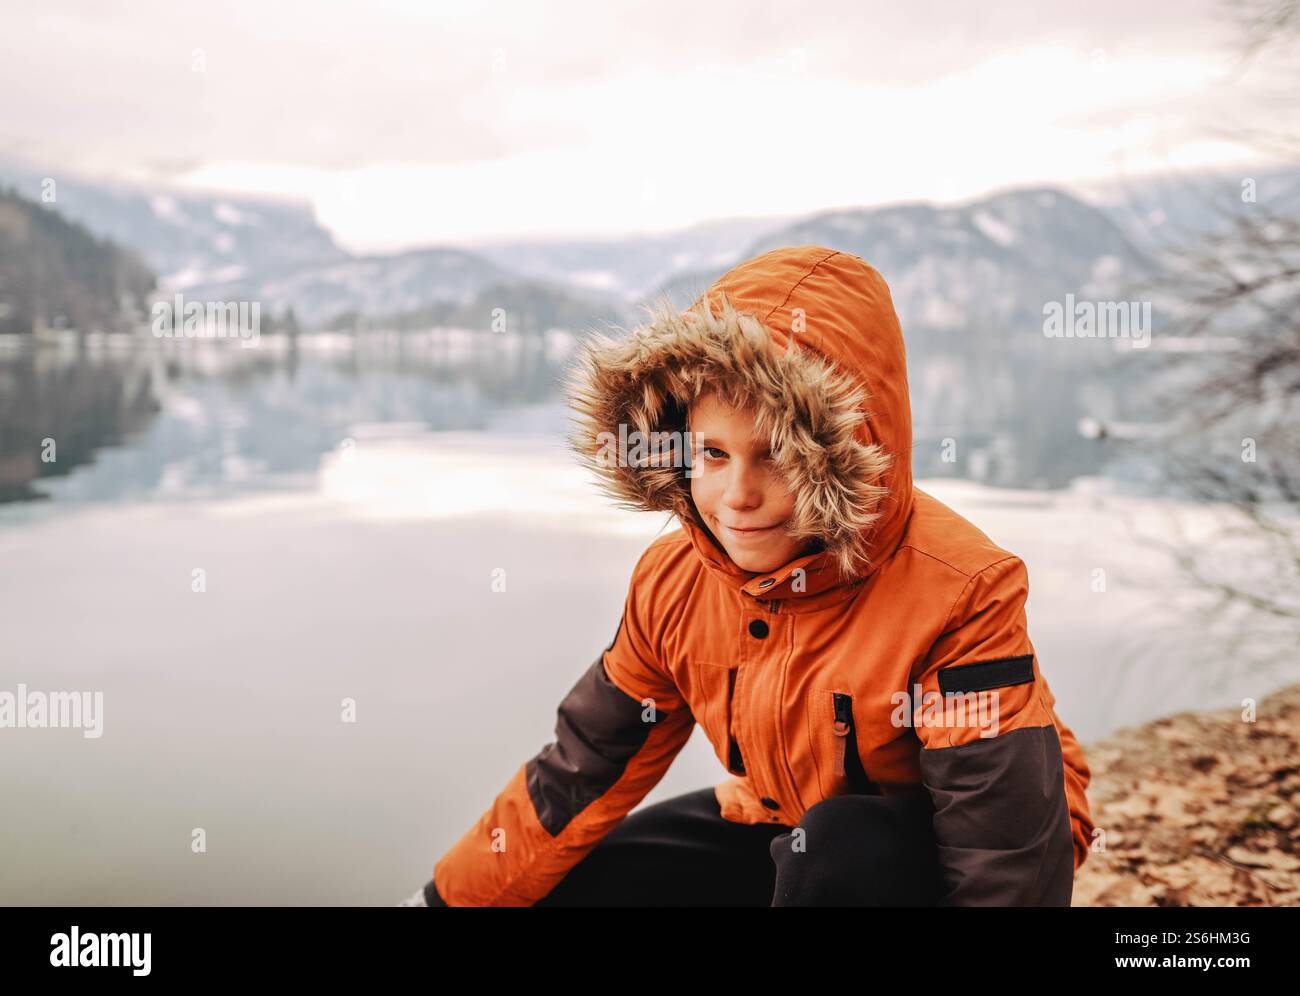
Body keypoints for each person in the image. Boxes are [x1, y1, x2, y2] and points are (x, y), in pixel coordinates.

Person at [403, 245, 1095, 907]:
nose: (737, 496)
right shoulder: (674, 581)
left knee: (838, 846)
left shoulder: (959, 592)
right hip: (780, 822)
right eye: (713, 453)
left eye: (778, 456)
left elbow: (1005, 859)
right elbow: (582, 769)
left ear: (844, 456)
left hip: (957, 849)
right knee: (592, 880)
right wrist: (441, 901)